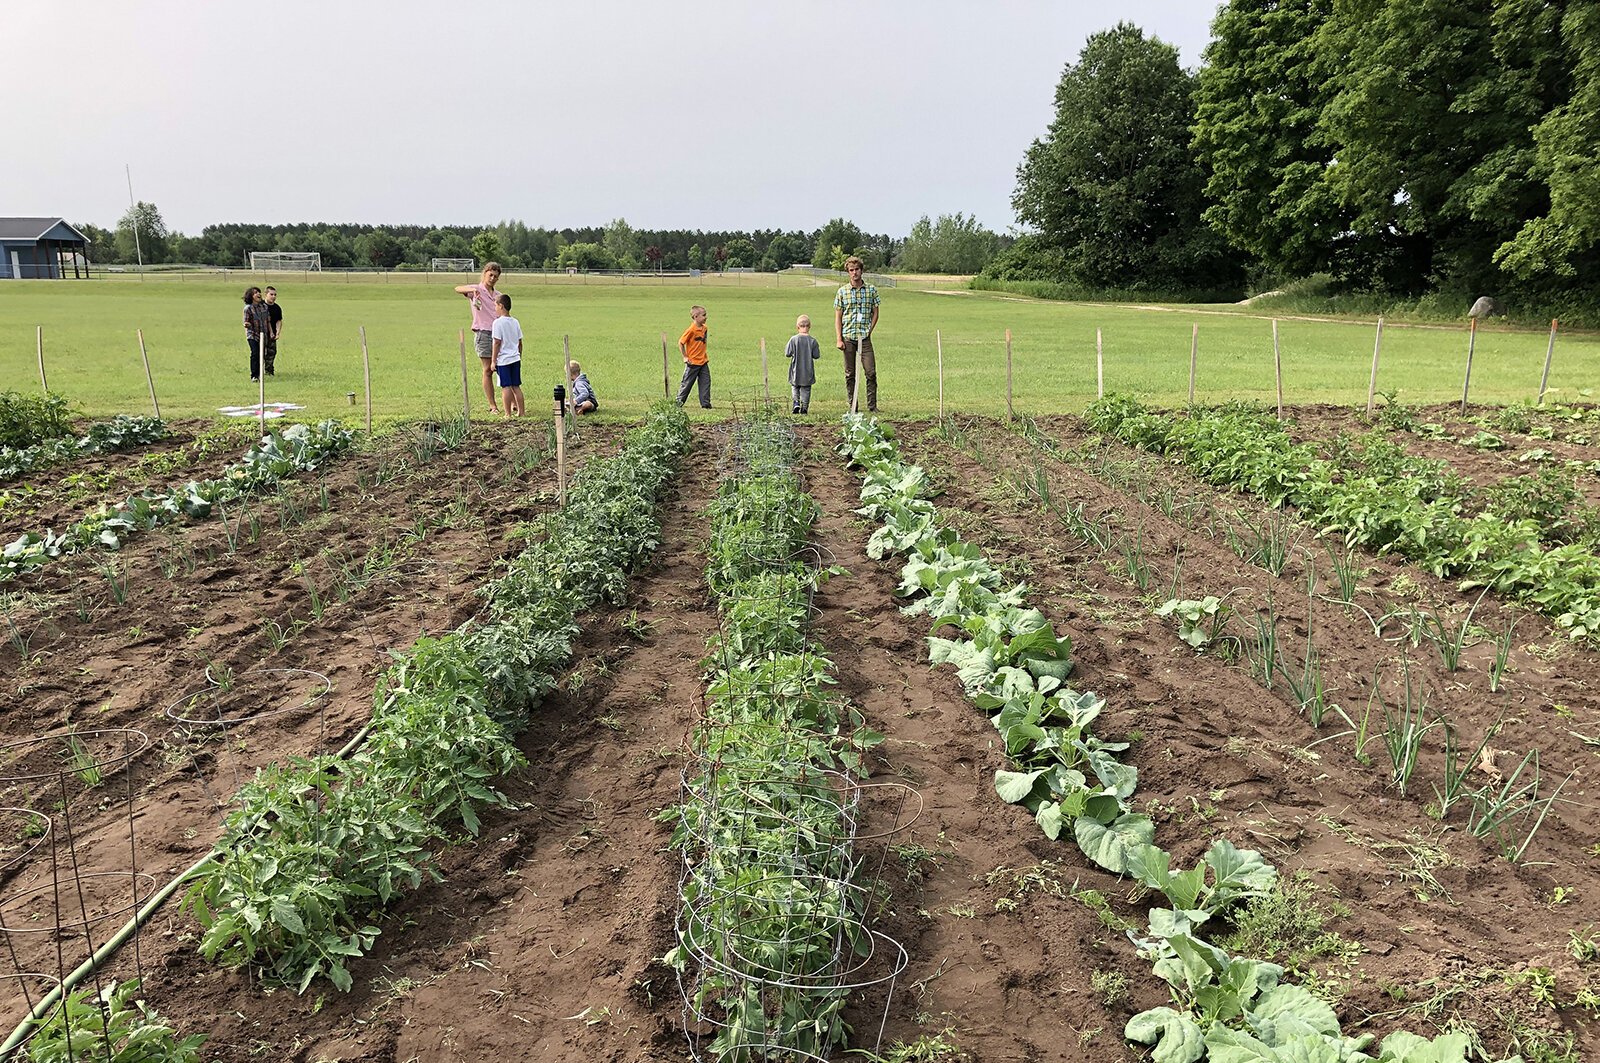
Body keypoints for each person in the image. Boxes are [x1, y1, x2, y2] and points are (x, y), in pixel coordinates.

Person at [834, 255, 881, 412]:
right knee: (850, 374)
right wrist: (839, 339)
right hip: (848, 338)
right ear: (848, 272)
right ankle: (853, 406)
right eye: (851, 270)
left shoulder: (871, 290)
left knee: (870, 372)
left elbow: (875, 312)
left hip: (865, 338)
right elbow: (838, 317)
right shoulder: (842, 292)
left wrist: (870, 329)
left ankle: (872, 406)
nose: (854, 273)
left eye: (857, 270)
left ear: (862, 271)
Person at [454, 262, 503, 414]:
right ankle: (493, 405)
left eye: (496, 276)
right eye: (491, 275)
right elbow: (457, 288)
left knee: (503, 368)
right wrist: (472, 290)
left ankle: (511, 402)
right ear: (485, 274)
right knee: (488, 369)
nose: (493, 278)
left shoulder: (498, 295)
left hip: (498, 333)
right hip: (483, 332)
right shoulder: (477, 290)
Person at [490, 293, 524, 418]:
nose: (495, 308)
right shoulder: (515, 322)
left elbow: (497, 342)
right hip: (515, 358)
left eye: (495, 305)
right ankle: (521, 411)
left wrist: (493, 361)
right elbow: (520, 342)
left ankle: (507, 413)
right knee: (516, 386)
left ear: (501, 306)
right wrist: (519, 355)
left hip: (504, 360)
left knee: (506, 386)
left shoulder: (497, 323)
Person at [676, 304, 712, 408]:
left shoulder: (705, 328)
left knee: (706, 382)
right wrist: (685, 357)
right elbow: (681, 342)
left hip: (703, 361)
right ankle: (678, 403)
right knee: (687, 383)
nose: (706, 317)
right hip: (693, 363)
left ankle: (705, 404)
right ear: (696, 317)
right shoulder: (691, 330)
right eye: (703, 315)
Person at [785, 313, 821, 414]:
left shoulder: (793, 339)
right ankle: (804, 407)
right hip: (808, 370)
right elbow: (816, 355)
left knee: (795, 386)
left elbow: (787, 353)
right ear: (809, 327)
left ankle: (796, 402)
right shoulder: (813, 341)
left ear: (797, 327)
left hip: (795, 369)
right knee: (806, 389)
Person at [242, 286, 271, 381]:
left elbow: (268, 321)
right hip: (252, 335)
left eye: (259, 292)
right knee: (255, 353)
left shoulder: (264, 307)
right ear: (251, 296)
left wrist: (271, 332)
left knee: (262, 354)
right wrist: (247, 324)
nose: (258, 294)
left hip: (264, 334)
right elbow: (246, 322)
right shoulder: (248, 308)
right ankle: (254, 375)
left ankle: (260, 373)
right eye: (255, 293)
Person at [262, 286, 283, 376]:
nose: (273, 296)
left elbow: (279, 321)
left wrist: (277, 333)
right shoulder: (261, 306)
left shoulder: (277, 308)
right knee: (261, 352)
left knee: (272, 352)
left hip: (272, 334)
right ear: (265, 295)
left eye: (275, 295)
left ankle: (269, 371)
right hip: (262, 333)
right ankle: (258, 371)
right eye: (271, 294)